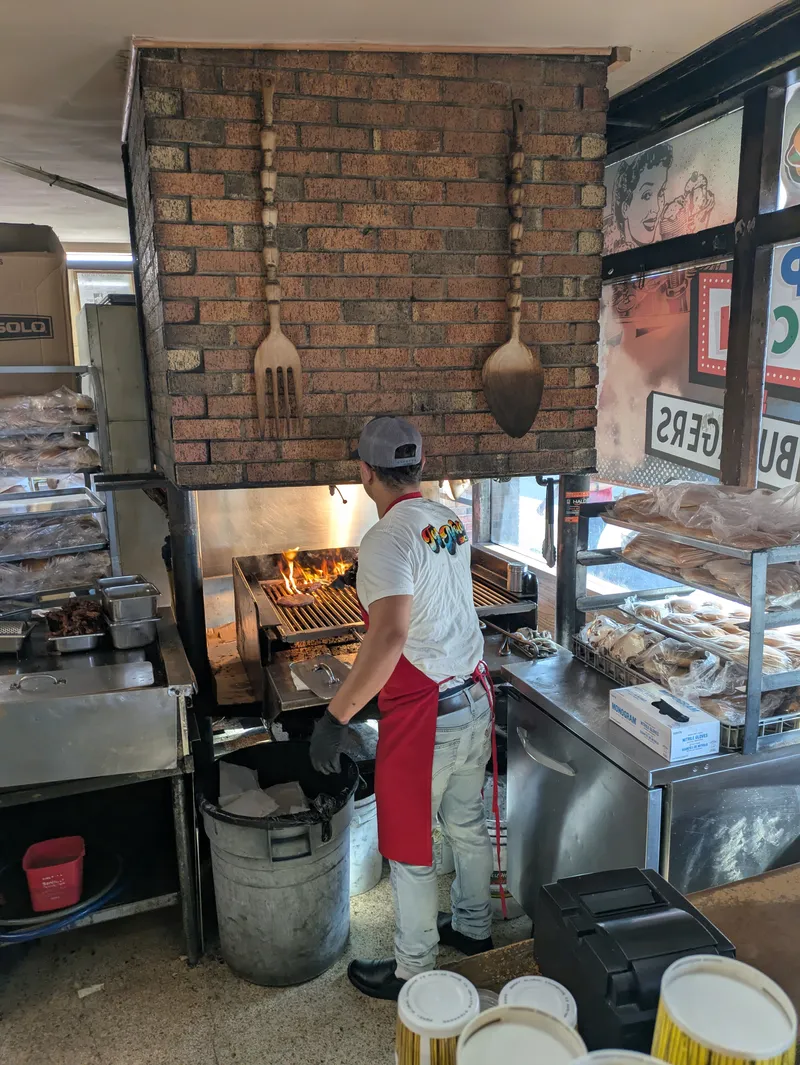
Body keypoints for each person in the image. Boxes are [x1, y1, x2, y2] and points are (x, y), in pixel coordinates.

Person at [310, 416, 494, 1001]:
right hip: (472, 699)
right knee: (466, 826)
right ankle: (473, 930)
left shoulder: (384, 538)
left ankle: (413, 970)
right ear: (418, 467)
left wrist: (335, 717)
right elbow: (431, 582)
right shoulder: (448, 519)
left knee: (410, 845)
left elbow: (389, 636)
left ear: (365, 472)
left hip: (426, 716)